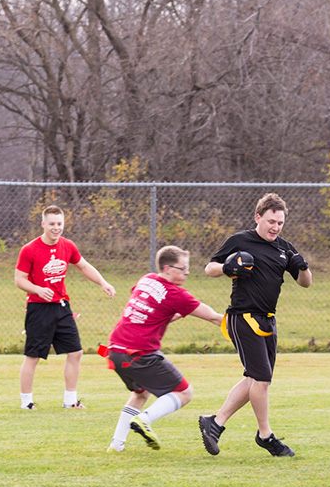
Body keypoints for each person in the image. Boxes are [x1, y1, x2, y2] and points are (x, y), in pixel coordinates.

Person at [199, 193, 311, 457]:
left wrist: (302, 266)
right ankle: (266, 435)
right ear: (258, 217)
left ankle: (214, 423)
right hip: (242, 317)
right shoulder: (240, 240)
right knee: (261, 378)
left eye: (280, 223)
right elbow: (209, 268)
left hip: (268, 320)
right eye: (271, 221)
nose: (275, 227)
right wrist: (229, 267)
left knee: (256, 379)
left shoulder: (285, 247)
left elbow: (305, 282)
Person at [104, 246, 223, 452]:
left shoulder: (146, 279)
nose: (187, 272)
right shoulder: (176, 294)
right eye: (182, 268)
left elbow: (151, 308)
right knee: (185, 393)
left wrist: (174, 314)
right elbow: (213, 317)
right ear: (167, 268)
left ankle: (116, 445)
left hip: (114, 351)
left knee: (141, 393)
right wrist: (245, 326)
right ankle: (144, 420)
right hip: (139, 353)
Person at [15, 205, 116, 410]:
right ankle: (26, 403)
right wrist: (37, 289)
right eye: (51, 224)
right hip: (38, 308)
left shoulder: (67, 245)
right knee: (33, 357)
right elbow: (19, 279)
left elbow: (84, 266)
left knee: (75, 352)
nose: (56, 228)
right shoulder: (29, 249)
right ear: (43, 224)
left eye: (59, 224)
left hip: (61, 307)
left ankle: (70, 400)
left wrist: (103, 283)